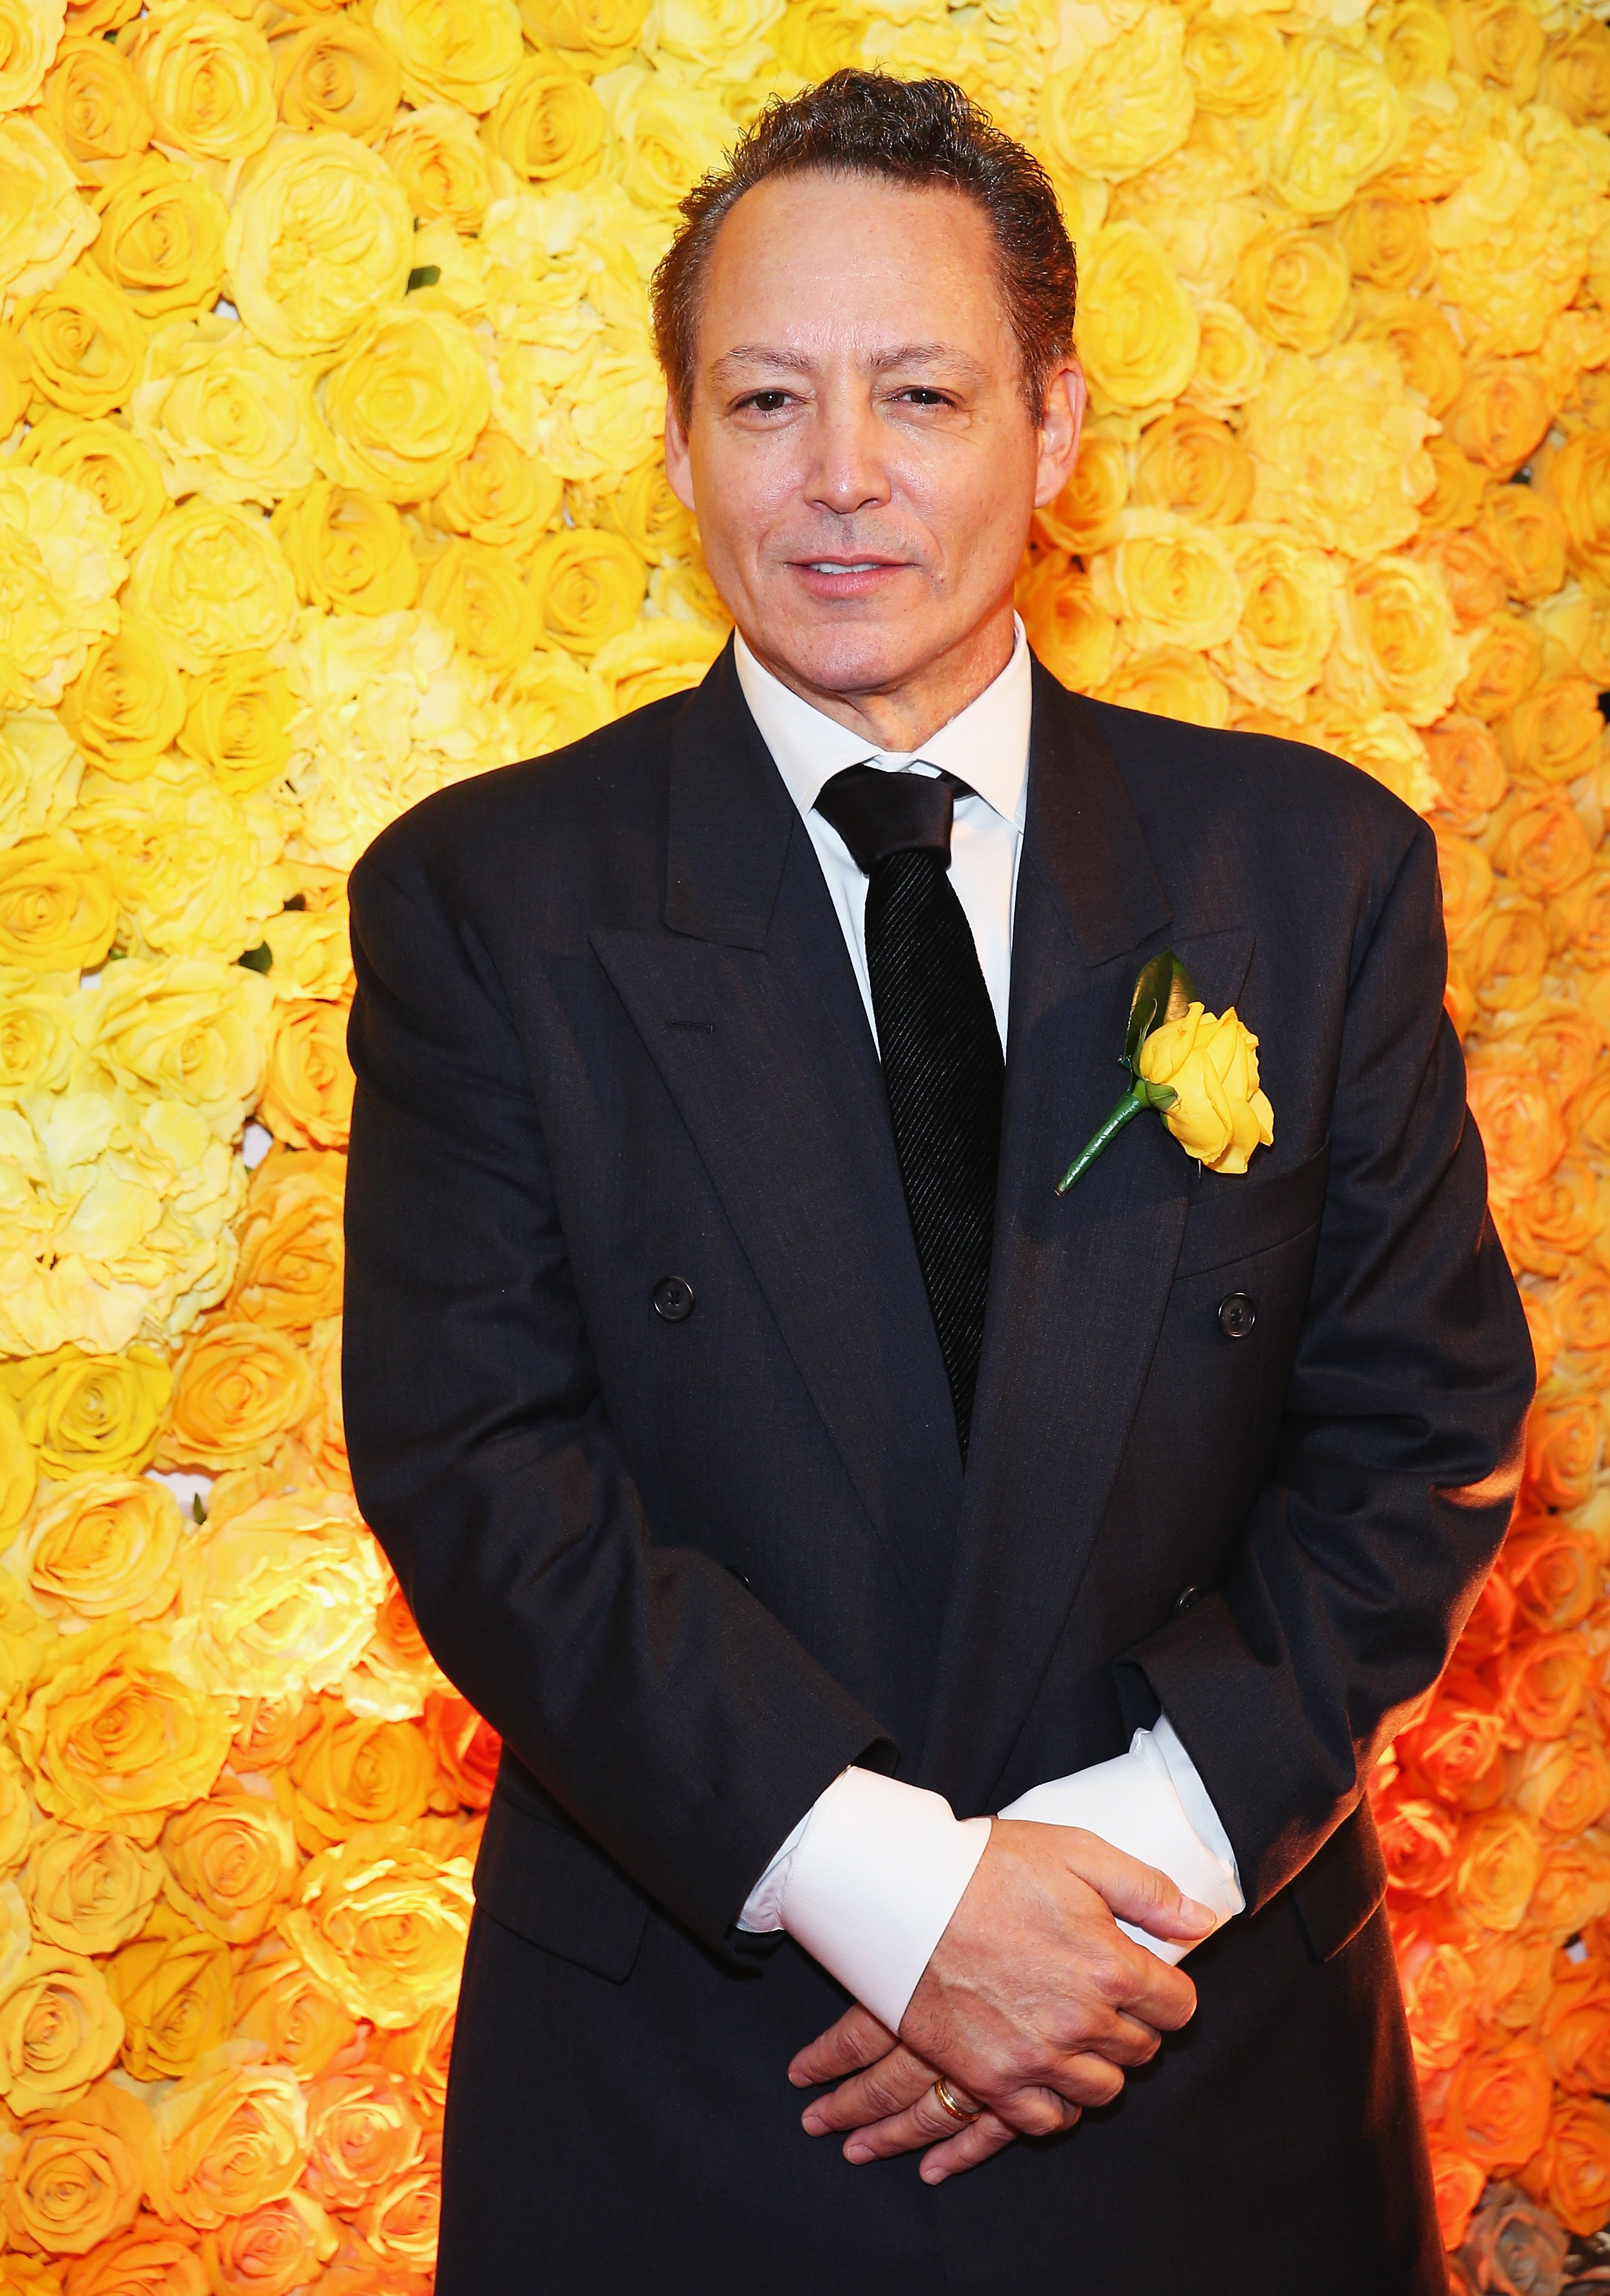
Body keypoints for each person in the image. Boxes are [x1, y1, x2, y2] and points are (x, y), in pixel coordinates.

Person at [342, 69, 1535, 2296]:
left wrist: (1090, 1888)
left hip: (1196, 2034)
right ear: (679, 440)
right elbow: (478, 1462)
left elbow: (1420, 1428)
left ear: (1054, 428)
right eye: (767, 398)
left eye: (920, 391)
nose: (843, 478)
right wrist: (887, 1894)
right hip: (708, 2075)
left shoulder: (1308, 868)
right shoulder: (489, 900)